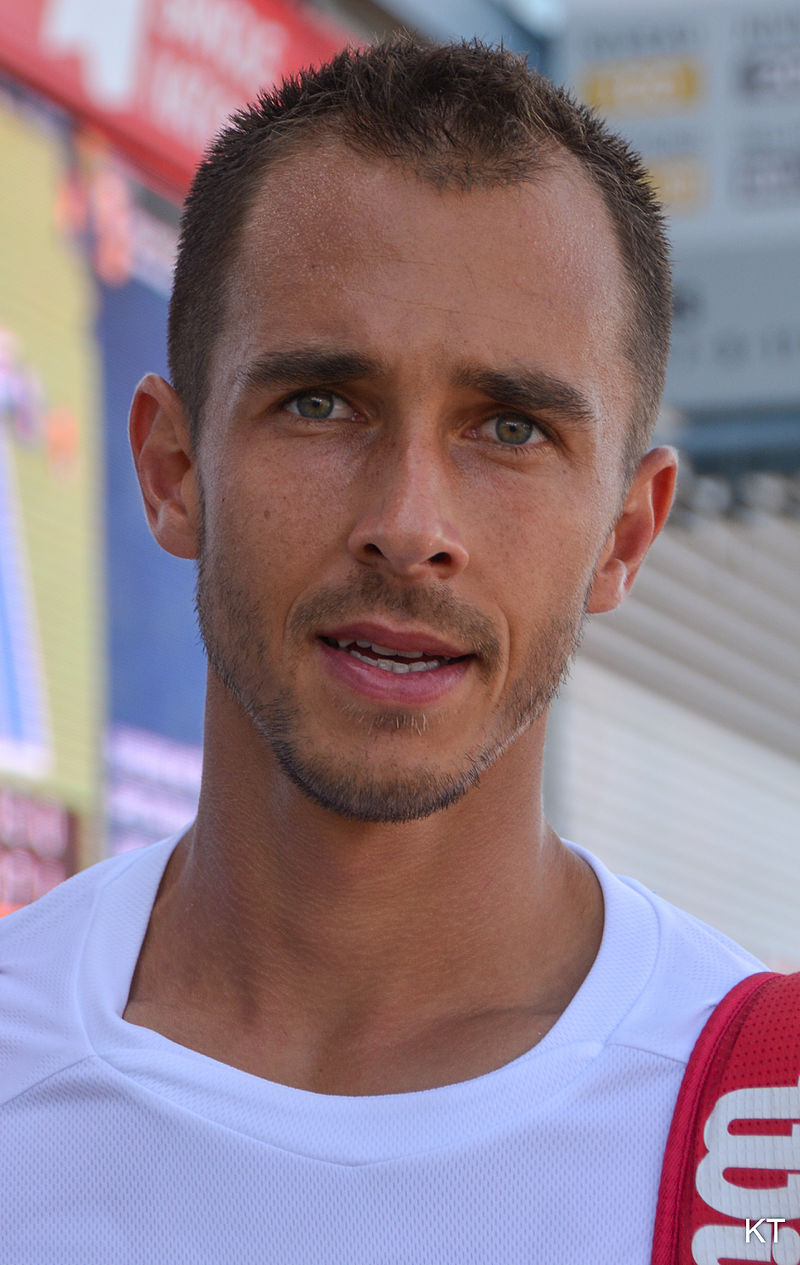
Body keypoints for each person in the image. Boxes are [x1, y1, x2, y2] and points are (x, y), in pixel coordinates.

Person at [0, 35, 761, 1262]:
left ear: (625, 533)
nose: (409, 526)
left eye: (509, 427)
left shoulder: (761, 1131)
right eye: (319, 402)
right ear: (173, 468)